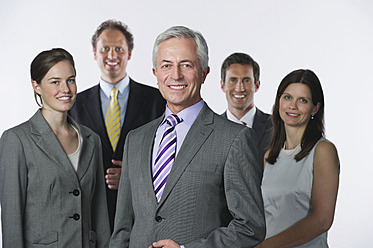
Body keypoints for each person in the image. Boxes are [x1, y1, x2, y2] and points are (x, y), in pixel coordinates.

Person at [110, 26, 265, 248]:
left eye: (186, 64)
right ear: (155, 73)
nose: (176, 75)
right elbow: (122, 229)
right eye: (166, 65)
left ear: (204, 73)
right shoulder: (135, 140)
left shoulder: (235, 139)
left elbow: (250, 227)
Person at [0, 48, 110, 247]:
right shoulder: (16, 140)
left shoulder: (91, 139)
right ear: (37, 86)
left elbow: (100, 213)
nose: (66, 89)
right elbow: (12, 218)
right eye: (55, 82)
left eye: (71, 80)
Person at [69, 19, 166, 231]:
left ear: (129, 53)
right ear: (94, 53)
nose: (112, 55)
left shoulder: (157, 100)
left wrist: (133, 177)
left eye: (119, 49)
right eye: (105, 49)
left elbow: (169, 157)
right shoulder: (73, 105)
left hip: (142, 218)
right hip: (91, 219)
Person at [257, 69, 340, 247]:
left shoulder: (323, 151)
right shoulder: (270, 156)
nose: (292, 106)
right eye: (287, 97)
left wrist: (265, 246)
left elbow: (322, 221)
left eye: (303, 100)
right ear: (278, 101)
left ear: (315, 108)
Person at [220, 52, 272, 167]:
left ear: (257, 85)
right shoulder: (209, 130)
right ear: (222, 85)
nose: (240, 88)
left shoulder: (277, 127)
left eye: (246, 80)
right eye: (233, 80)